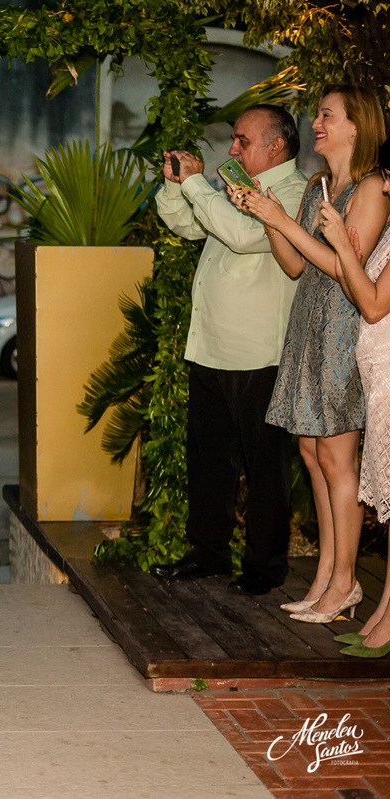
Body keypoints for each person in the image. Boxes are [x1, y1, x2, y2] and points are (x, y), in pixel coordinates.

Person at [231, 85, 390, 624]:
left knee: (337, 459)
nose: (316, 123)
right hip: (307, 324)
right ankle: (326, 574)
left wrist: (284, 223)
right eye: (318, 114)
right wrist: (269, 216)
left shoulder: (372, 189)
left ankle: (345, 583)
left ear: (356, 125)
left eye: (327, 115)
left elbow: (349, 270)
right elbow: (296, 264)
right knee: (310, 452)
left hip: (343, 329)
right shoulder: (319, 184)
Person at [149, 105, 308, 595]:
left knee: (264, 468)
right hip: (213, 345)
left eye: (241, 139)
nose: (232, 148)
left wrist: (200, 185)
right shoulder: (239, 186)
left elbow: (242, 236)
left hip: (258, 352)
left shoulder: (293, 192)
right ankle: (208, 555)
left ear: (275, 144)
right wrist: (178, 185)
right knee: (209, 461)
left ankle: (265, 568)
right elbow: (190, 226)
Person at [317, 139, 390, 656]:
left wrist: (343, 243)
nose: (384, 185)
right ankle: (384, 612)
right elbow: (354, 286)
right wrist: (345, 250)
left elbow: (371, 305)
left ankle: (388, 623)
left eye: (389, 176)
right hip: (380, 381)